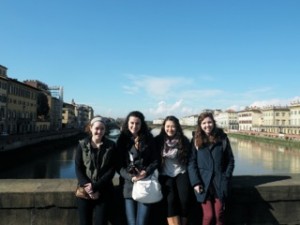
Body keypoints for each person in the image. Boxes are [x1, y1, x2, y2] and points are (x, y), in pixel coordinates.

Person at [188, 112, 235, 225]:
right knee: (208, 216)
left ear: (213, 123)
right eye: (204, 123)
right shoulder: (195, 139)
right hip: (203, 183)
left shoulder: (222, 138)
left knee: (219, 214)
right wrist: (196, 182)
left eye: (209, 122)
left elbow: (230, 160)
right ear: (200, 125)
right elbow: (191, 162)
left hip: (219, 182)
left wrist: (226, 177)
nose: (207, 125)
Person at [116, 111, 159, 225]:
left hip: (145, 184)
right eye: (132, 123)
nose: (134, 126)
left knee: (142, 222)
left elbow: (155, 161)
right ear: (127, 123)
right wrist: (131, 177)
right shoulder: (122, 139)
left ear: (141, 124)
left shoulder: (149, 138)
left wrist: (146, 172)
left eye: (137, 123)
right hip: (128, 185)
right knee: (131, 222)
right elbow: (118, 166)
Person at [75, 116, 117, 225]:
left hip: (104, 190)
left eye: (102, 129)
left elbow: (111, 170)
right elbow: (78, 168)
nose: (99, 131)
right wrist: (88, 186)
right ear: (91, 128)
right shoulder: (82, 144)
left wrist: (95, 186)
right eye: (97, 128)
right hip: (84, 191)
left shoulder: (111, 146)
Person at [154, 115, 192, 225]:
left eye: (173, 126)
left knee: (184, 200)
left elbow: (190, 158)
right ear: (164, 127)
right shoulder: (158, 141)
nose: (170, 129)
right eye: (168, 126)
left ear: (177, 127)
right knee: (170, 201)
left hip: (181, 172)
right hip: (165, 173)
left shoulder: (184, 141)